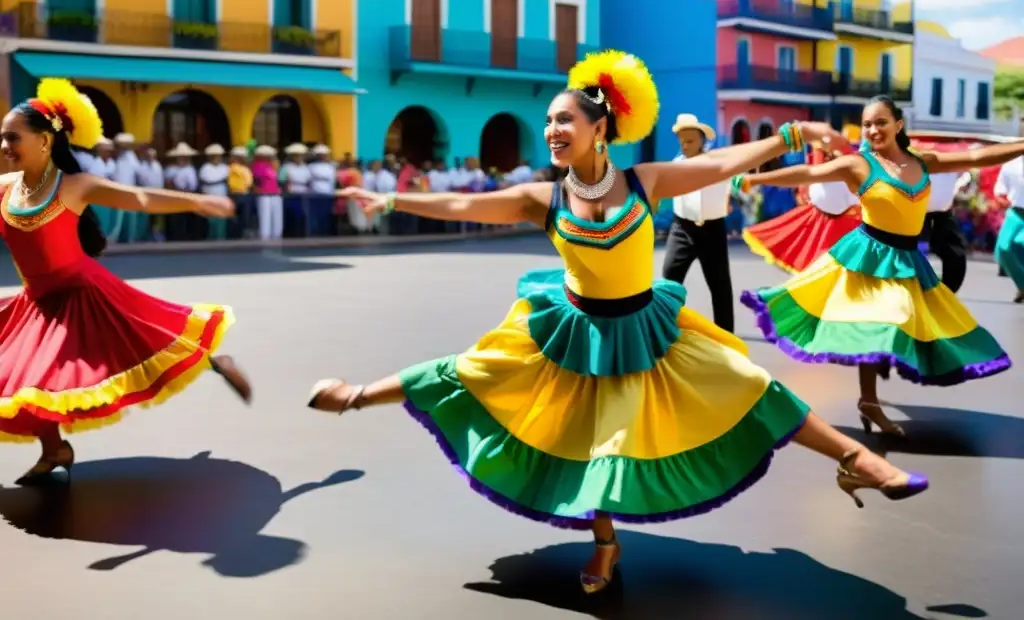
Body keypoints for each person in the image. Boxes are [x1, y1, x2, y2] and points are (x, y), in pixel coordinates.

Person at [309, 52, 928, 594]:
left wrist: (789, 132)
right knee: (479, 379)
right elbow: (464, 203)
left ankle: (856, 457)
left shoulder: (644, 182)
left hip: (648, 328)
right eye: (549, 121)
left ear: (599, 129)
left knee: (753, 386)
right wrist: (390, 198)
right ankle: (359, 397)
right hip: (573, 332)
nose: (552, 130)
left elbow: (721, 164)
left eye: (564, 120)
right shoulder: (542, 197)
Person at [0, 80, 253, 484]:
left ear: (45, 141)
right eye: (1, 138)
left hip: (85, 294)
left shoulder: (75, 186)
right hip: (38, 301)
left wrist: (196, 202)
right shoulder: (5, 189)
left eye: (13, 137)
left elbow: (141, 198)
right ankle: (55, 449)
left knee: (152, 338)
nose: (4, 145)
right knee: (28, 379)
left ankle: (215, 362)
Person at [739, 96, 1017, 437]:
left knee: (922, 324)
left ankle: (869, 400)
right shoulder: (858, 165)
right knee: (886, 320)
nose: (873, 130)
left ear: (898, 125)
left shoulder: (922, 161)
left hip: (908, 260)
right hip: (870, 256)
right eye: (867, 124)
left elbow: (976, 157)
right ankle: (870, 399)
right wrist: (757, 180)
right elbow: (809, 172)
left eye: (881, 122)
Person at [661, 113, 735, 331]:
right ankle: (665, 327)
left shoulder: (716, 163)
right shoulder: (676, 165)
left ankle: (725, 334)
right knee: (669, 279)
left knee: (720, 284)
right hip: (682, 228)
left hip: (712, 229)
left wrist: (729, 197)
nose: (685, 146)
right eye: (681, 141)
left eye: (690, 141)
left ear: (702, 140)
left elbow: (732, 178)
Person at [743, 143, 861, 274]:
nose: (829, 156)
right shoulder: (817, 170)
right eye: (826, 154)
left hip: (847, 225)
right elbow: (802, 178)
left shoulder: (853, 169)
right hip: (820, 221)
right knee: (816, 267)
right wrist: (754, 180)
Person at [922, 171, 970, 292]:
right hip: (915, 210)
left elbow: (965, 169)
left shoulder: (952, 154)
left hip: (943, 212)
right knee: (917, 251)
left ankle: (946, 293)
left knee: (955, 255)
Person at [993, 155, 1024, 303]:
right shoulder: (1011, 165)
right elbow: (1000, 190)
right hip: (1015, 212)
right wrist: (1001, 200)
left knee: (1020, 245)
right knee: (1003, 248)